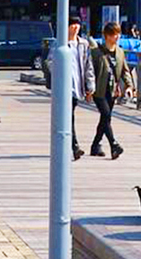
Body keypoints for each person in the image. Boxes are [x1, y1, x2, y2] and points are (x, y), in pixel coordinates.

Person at [48, 16, 96, 161]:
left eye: (77, 25)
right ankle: (74, 147)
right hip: (64, 87)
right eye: (72, 25)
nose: (75, 27)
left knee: (69, 117)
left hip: (77, 85)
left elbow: (88, 65)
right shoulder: (59, 43)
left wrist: (90, 86)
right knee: (69, 116)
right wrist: (58, 74)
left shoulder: (83, 44)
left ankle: (69, 145)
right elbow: (50, 62)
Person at [90, 22, 133, 160]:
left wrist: (129, 86)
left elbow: (125, 71)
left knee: (105, 118)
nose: (117, 36)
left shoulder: (120, 52)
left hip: (113, 91)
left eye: (118, 33)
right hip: (99, 90)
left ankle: (95, 145)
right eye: (114, 34)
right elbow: (90, 71)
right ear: (107, 36)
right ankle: (114, 145)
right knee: (106, 114)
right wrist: (89, 89)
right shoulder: (96, 52)